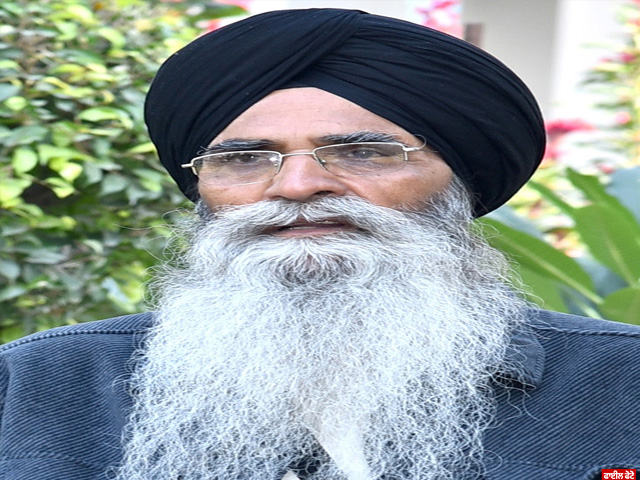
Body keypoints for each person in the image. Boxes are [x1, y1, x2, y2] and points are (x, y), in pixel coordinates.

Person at [0, 8, 638, 480]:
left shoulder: (621, 382)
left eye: (362, 152)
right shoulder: (39, 383)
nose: (298, 186)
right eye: (244, 159)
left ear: (460, 182)